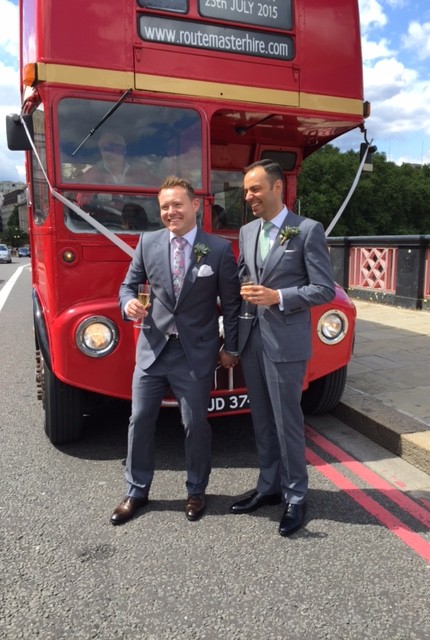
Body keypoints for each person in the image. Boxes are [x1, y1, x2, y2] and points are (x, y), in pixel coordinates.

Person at [111, 176, 240, 525]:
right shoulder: (147, 242)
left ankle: (196, 490)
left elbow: (231, 304)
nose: (171, 212)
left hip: (195, 352)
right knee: (139, 420)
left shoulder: (218, 249)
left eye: (177, 204)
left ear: (195, 206)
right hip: (152, 349)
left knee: (195, 423)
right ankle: (136, 491)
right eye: (165, 206)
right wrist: (128, 306)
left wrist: (232, 346)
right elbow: (127, 287)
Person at [230, 159, 336, 537]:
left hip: (286, 343)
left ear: (278, 188)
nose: (248, 197)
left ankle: (295, 496)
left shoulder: (307, 230)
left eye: (255, 189)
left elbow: (324, 289)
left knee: (286, 421)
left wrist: (278, 295)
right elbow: (245, 273)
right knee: (260, 420)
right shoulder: (245, 232)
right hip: (252, 339)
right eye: (246, 190)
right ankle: (269, 487)